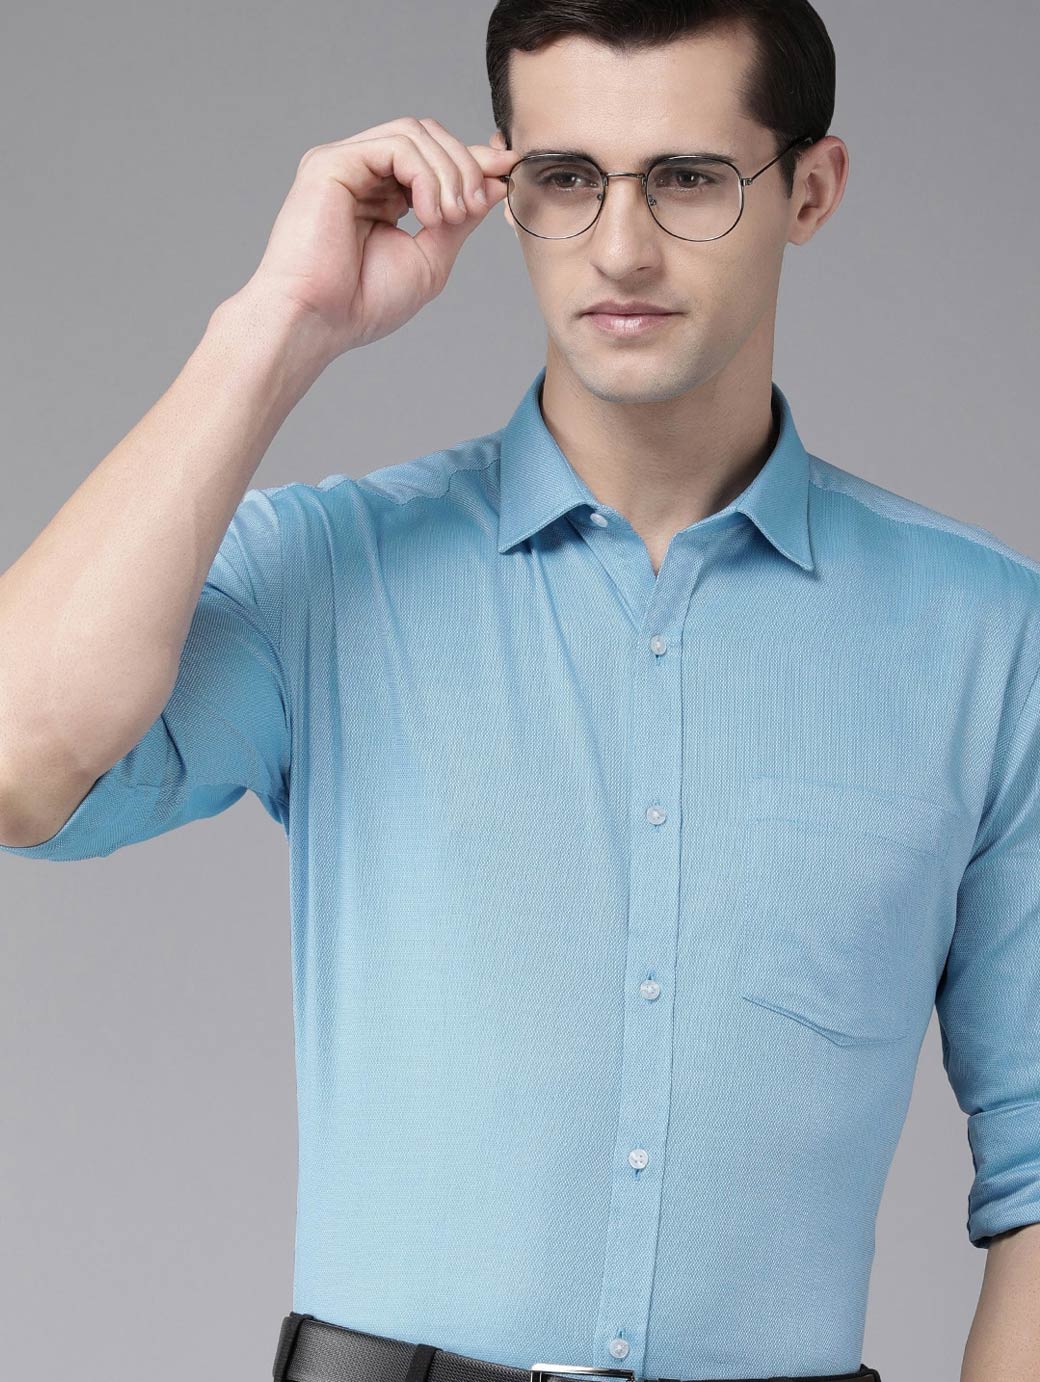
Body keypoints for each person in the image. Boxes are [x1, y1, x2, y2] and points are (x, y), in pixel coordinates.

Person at [1, 1, 1037, 1379]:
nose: (621, 248)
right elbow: (18, 765)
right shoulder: (332, 571)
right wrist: (275, 325)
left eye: (688, 179)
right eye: (565, 178)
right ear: (510, 190)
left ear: (811, 189)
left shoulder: (990, 639)